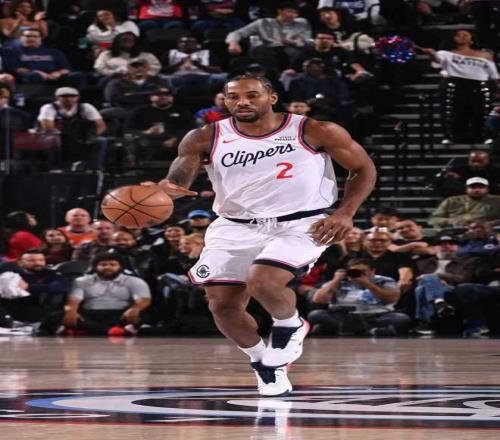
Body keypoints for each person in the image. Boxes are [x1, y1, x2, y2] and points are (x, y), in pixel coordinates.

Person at [142, 74, 376, 396]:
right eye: (233, 97)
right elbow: (179, 178)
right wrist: (167, 189)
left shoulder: (314, 130)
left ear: (272, 98)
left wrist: (345, 212)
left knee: (262, 281)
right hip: (234, 225)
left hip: (300, 222)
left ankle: (291, 324)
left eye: (252, 95)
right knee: (222, 306)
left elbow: (363, 168)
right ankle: (264, 364)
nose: (242, 102)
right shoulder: (204, 136)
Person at [421, 30, 499, 144]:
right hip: (455, 83)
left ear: (471, 39)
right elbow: (438, 61)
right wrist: (432, 53)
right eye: (458, 35)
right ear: (454, 39)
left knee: (480, 113)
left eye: (465, 35)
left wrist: (497, 87)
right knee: (454, 113)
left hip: (479, 85)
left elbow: (494, 74)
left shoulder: (485, 54)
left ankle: (481, 136)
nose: (462, 37)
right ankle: (453, 137)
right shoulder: (445, 53)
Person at [53, 253, 151, 336]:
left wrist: (134, 309)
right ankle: (114, 331)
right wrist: (71, 311)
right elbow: (73, 300)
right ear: (95, 267)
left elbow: (144, 300)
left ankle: (86, 330)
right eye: (103, 265)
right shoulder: (81, 281)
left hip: (120, 314)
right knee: (58, 316)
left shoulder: (134, 281)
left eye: (113, 265)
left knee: (143, 315)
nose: (108, 267)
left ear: (120, 267)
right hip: (90, 314)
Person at [308, 258, 411, 336]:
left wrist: (369, 285)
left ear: (372, 271)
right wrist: (335, 279)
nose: (359, 274)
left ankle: (342, 329)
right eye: (355, 271)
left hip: (375, 316)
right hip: (343, 315)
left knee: (401, 318)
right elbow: (318, 299)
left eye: (363, 271)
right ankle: (370, 330)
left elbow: (392, 298)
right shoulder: (339, 281)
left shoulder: (384, 280)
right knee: (315, 314)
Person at [226, 2, 312, 69]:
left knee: (303, 52)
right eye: (289, 11)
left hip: (291, 50)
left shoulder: (301, 22)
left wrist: (294, 42)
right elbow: (237, 33)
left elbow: (306, 40)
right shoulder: (263, 22)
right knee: (260, 49)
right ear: (280, 11)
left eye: (295, 13)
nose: (293, 15)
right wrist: (233, 43)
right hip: (268, 50)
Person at [37, 87, 107, 165]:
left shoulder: (86, 107)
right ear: (57, 97)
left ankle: (95, 168)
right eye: (64, 96)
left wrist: (92, 136)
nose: (69, 99)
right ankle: (54, 167)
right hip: (57, 135)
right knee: (53, 140)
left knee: (101, 141)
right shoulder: (49, 107)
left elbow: (101, 126)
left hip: (81, 136)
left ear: (78, 97)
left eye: (72, 96)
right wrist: (68, 137)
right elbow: (48, 127)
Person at [124, 87, 194, 164]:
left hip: (177, 141)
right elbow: (128, 130)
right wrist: (147, 132)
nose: (164, 97)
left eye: (167, 95)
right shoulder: (140, 111)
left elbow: (192, 129)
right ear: (151, 97)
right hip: (150, 142)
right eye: (159, 95)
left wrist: (176, 138)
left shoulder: (182, 111)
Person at [0, 249, 69, 324]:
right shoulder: (11, 275)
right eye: (31, 260)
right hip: (12, 309)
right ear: (20, 263)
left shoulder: (52, 274)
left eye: (41, 260)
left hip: (39, 309)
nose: (37, 263)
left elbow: (62, 287)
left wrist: (29, 287)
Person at [6, 28, 86, 87]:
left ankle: (76, 99)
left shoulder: (54, 52)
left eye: (35, 36)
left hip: (55, 77)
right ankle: (35, 99)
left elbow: (66, 69)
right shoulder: (14, 52)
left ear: (40, 39)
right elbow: (17, 69)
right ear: (21, 38)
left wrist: (58, 73)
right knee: (35, 76)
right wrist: (36, 72)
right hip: (30, 77)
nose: (31, 38)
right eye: (28, 36)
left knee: (77, 75)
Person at [428, 177, 500, 228]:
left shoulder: (497, 200)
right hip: (455, 231)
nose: (477, 190)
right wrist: (452, 221)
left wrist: (487, 224)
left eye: (481, 187)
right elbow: (432, 220)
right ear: (466, 188)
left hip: (489, 231)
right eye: (472, 187)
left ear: (487, 189)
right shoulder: (451, 201)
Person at [162, 36, 226, 90]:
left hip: (203, 76)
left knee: (221, 77)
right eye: (183, 42)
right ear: (178, 44)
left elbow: (218, 70)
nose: (187, 44)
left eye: (191, 42)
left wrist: (199, 65)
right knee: (163, 78)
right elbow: (163, 70)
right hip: (178, 77)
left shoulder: (207, 53)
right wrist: (179, 64)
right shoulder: (171, 53)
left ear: (197, 45)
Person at [94, 32, 161, 80]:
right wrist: (114, 73)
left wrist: (143, 75)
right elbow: (99, 67)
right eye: (124, 40)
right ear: (117, 42)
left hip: (144, 78)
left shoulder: (147, 55)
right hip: (116, 78)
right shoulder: (106, 54)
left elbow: (155, 67)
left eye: (130, 40)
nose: (127, 43)